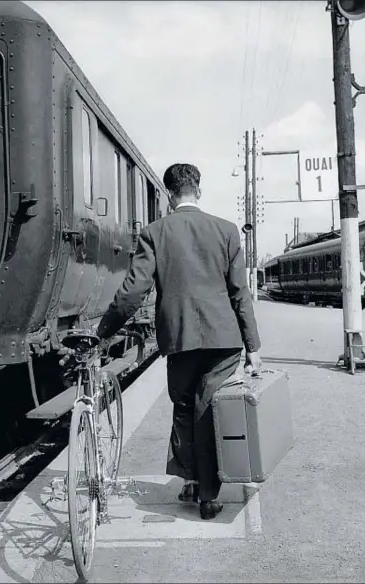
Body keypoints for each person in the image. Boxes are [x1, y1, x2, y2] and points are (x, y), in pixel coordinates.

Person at [97, 163, 261, 520]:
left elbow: (134, 291)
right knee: (207, 407)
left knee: (186, 406)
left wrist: (105, 330)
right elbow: (240, 293)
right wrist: (253, 348)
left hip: (180, 337)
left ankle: (196, 485)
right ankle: (205, 491)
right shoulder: (228, 230)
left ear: (169, 195)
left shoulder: (155, 232)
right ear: (198, 190)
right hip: (224, 339)